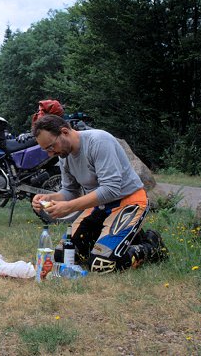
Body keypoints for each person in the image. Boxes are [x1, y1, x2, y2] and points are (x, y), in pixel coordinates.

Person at [31, 114, 167, 273]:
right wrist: (49, 197)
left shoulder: (99, 141)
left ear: (65, 132)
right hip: (99, 205)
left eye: (50, 147)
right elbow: (70, 191)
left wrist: (68, 207)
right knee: (63, 256)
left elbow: (111, 189)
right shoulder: (64, 154)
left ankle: (152, 245)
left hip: (129, 201)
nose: (50, 153)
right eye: (46, 150)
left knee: (101, 264)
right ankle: (122, 238)